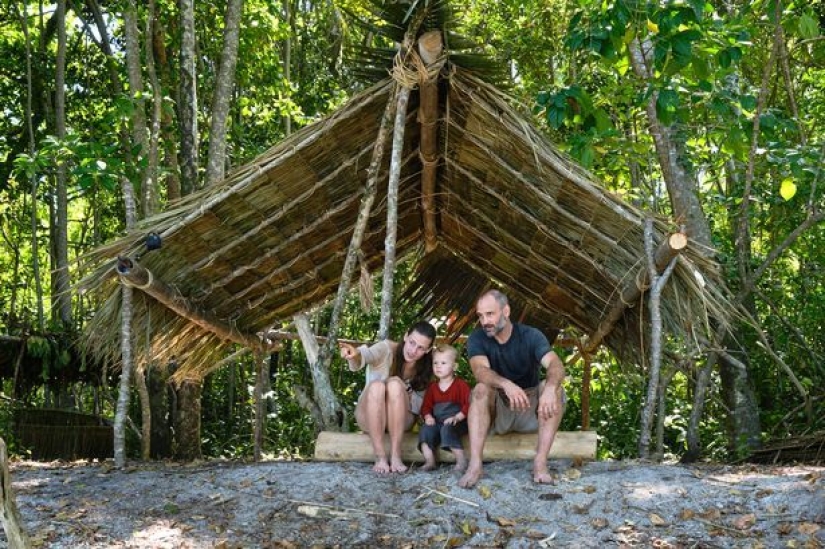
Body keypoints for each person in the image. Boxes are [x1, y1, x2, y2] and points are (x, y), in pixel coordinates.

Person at [457, 289, 566, 488]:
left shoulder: (531, 335)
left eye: (490, 314)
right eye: (480, 316)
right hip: (500, 411)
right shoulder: (477, 338)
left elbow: (555, 364)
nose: (484, 321)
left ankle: (540, 463)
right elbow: (480, 371)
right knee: (481, 389)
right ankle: (475, 464)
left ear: (505, 311)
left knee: (553, 387)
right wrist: (506, 384)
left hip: (530, 409)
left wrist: (550, 388)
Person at [339, 321, 436, 474]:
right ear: (405, 336)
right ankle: (380, 457)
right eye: (411, 343)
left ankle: (396, 456)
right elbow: (365, 355)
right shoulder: (386, 348)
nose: (413, 350)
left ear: (428, 349)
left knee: (395, 384)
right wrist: (354, 355)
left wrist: (408, 394)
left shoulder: (429, 366)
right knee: (378, 386)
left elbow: (424, 406)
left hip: (402, 419)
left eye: (420, 348)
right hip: (370, 415)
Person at [417, 344, 471, 472]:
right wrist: (428, 416)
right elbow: (426, 406)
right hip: (437, 421)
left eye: (443, 363)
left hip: (457, 421)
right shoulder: (432, 388)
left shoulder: (460, 385)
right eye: (435, 363)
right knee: (425, 431)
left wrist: (458, 417)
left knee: (447, 429)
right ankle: (430, 461)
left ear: (454, 366)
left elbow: (469, 404)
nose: (438, 366)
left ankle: (461, 460)